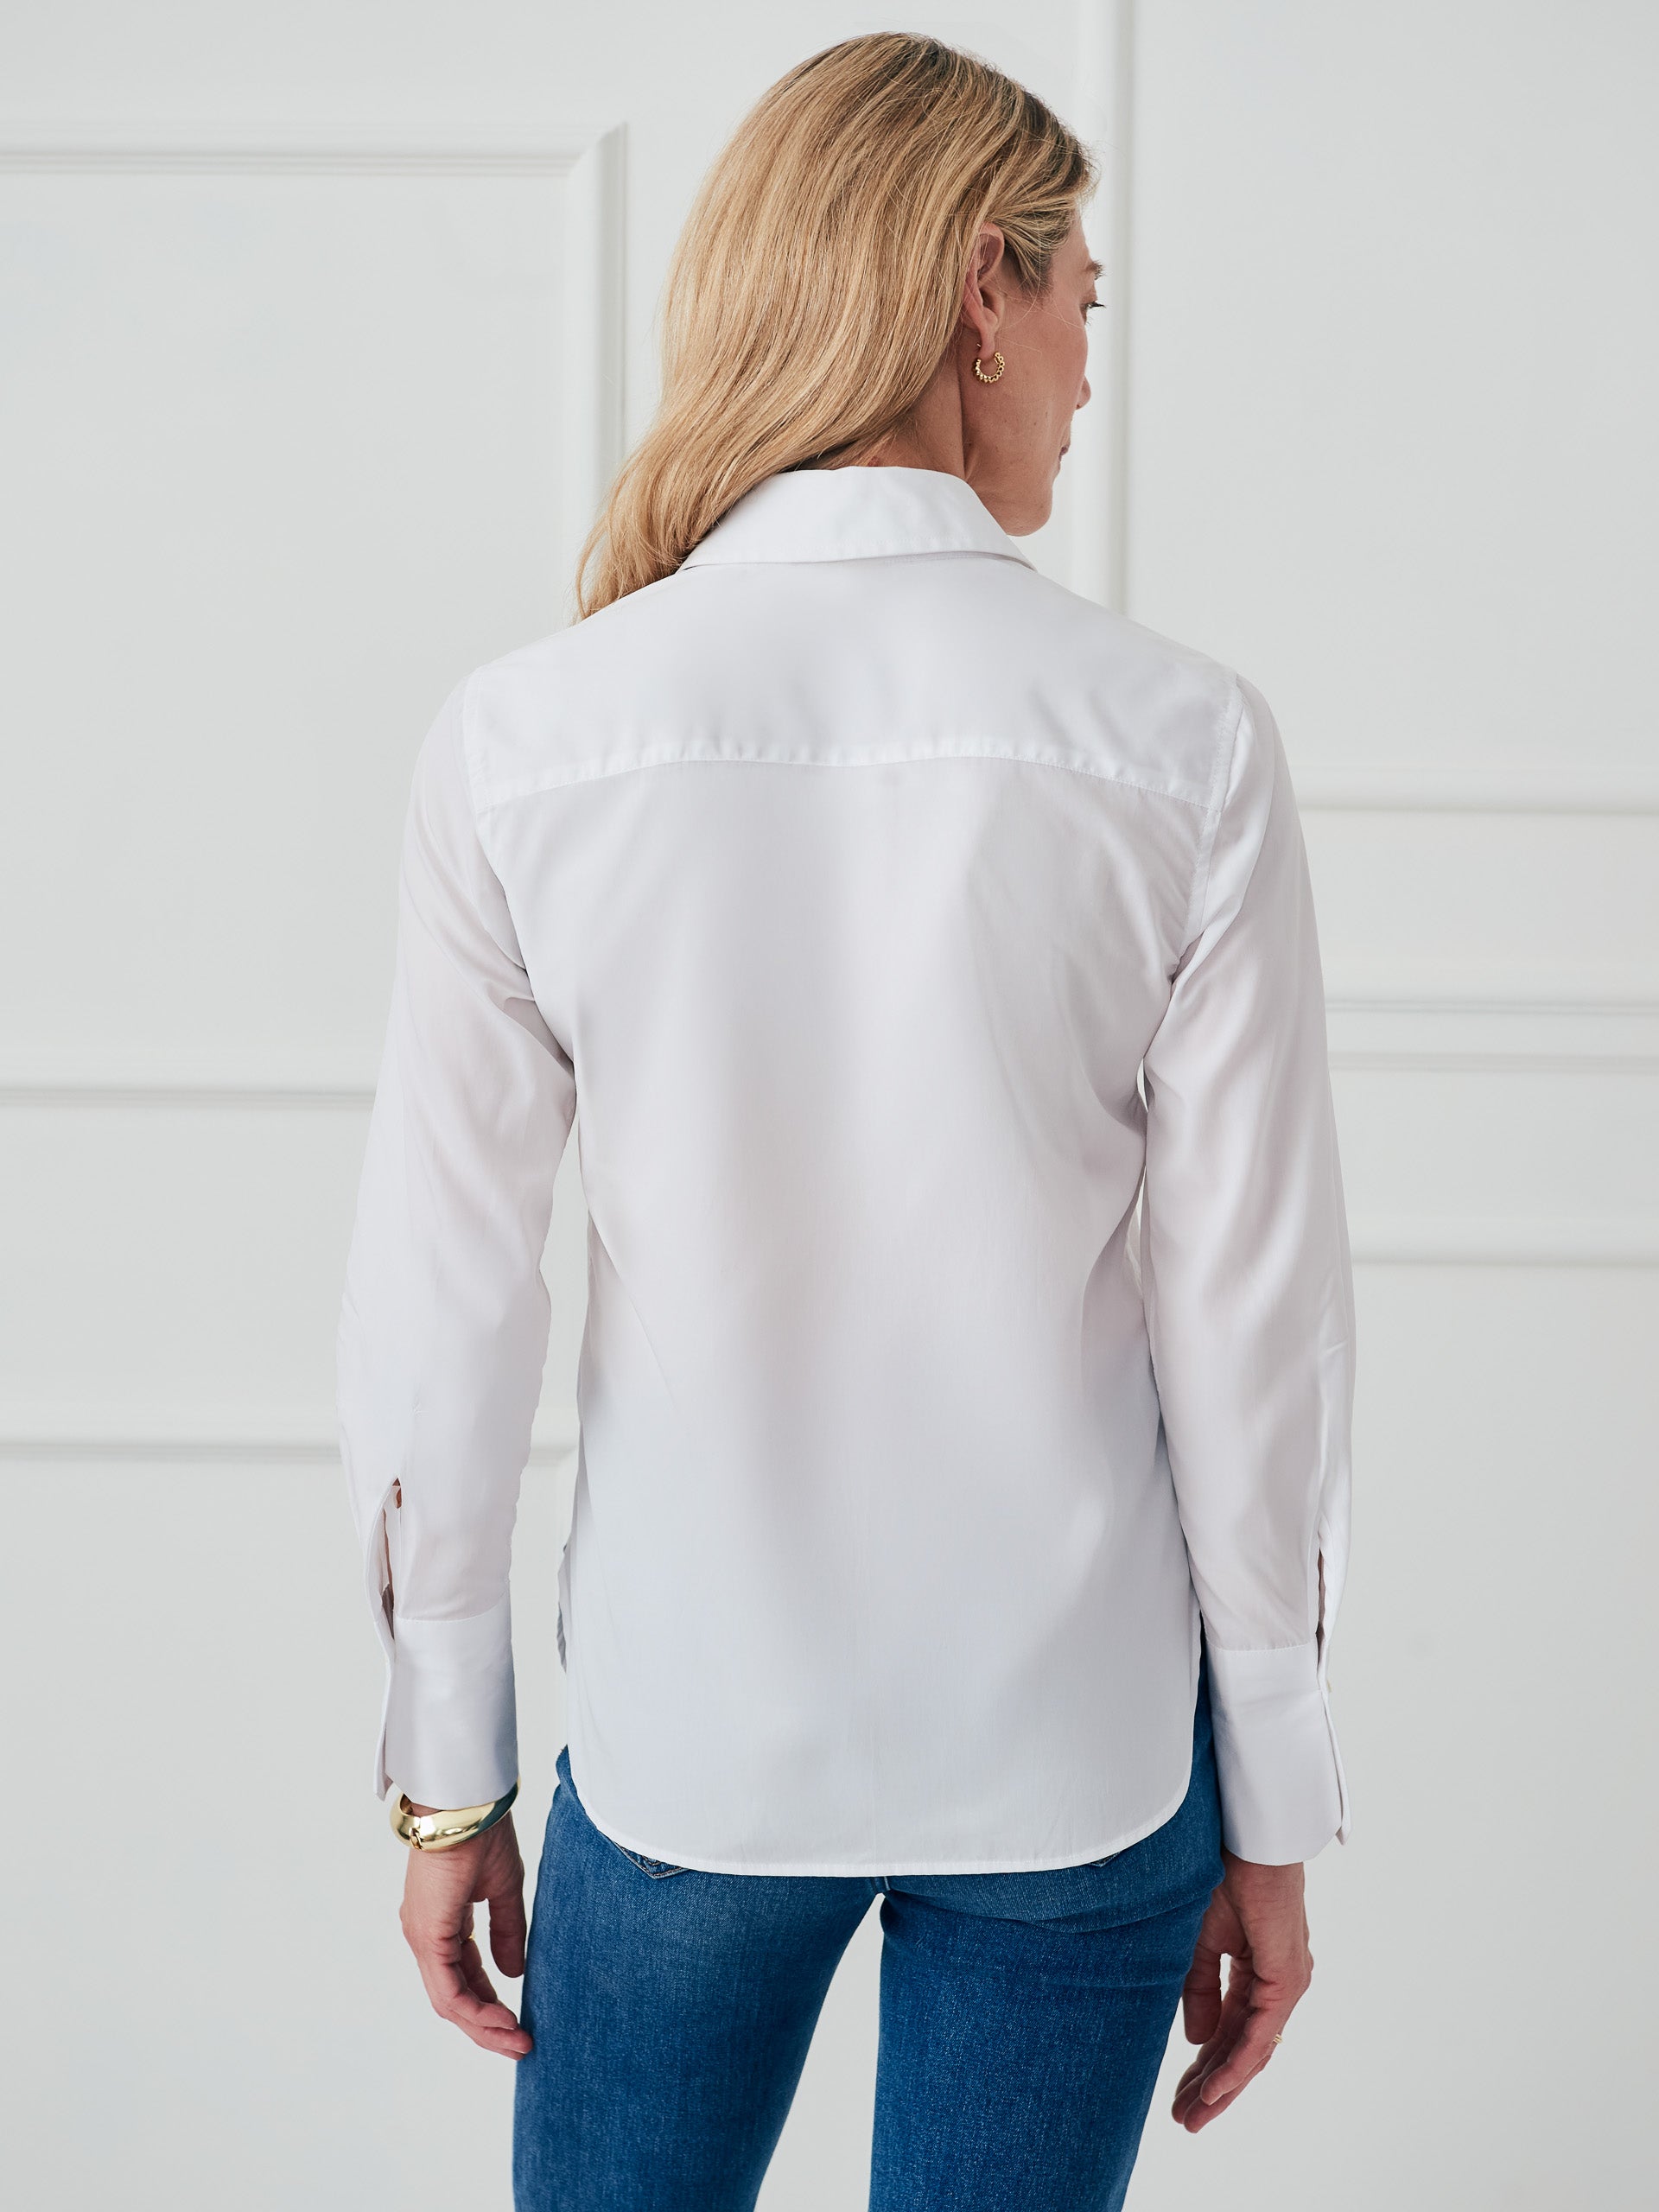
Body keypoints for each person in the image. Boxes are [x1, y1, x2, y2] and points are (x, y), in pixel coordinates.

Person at [336, 31, 1354, 2212]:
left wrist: (448, 1776)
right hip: (1079, 1754)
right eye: (1081, 294)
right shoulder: (1181, 743)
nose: (1090, 362)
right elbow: (1253, 1327)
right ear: (982, 285)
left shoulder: (526, 739)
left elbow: (447, 1307)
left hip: (695, 1749)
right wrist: (1273, 1797)